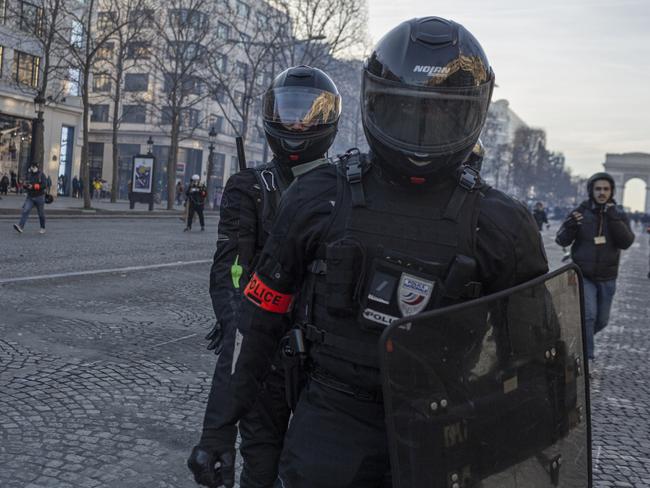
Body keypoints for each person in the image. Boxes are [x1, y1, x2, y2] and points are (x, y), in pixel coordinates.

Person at [188, 17, 548, 488]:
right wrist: (218, 429)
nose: (421, 128)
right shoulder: (319, 197)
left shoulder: (504, 225)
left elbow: (536, 366)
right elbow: (256, 325)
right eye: (409, 110)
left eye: (439, 112)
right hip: (333, 427)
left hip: (439, 432)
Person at [188, 65, 342, 488]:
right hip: (264, 351)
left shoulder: (346, 190)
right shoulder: (250, 186)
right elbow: (229, 268)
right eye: (288, 111)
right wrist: (239, 322)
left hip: (322, 360)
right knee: (260, 460)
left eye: (308, 113)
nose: (296, 123)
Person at [556, 172, 634, 363]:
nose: (602, 192)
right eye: (598, 188)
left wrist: (613, 217)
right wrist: (571, 226)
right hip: (584, 274)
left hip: (608, 277)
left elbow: (626, 242)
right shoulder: (580, 212)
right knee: (589, 316)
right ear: (591, 190)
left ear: (612, 191)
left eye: (606, 189)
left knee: (602, 321)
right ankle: (587, 358)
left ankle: (579, 340)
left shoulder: (619, 214)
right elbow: (561, 239)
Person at [13, 163, 47, 234]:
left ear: (37, 167)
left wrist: (34, 186)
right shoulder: (29, 174)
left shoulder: (41, 175)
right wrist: (25, 185)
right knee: (25, 210)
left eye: (33, 167)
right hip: (30, 197)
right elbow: (27, 183)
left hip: (39, 197)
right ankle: (20, 227)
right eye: (31, 167)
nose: (32, 168)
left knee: (41, 214)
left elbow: (44, 185)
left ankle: (42, 227)